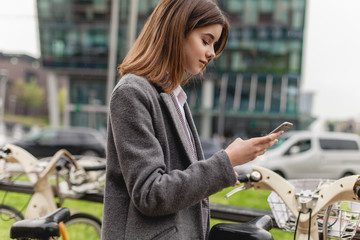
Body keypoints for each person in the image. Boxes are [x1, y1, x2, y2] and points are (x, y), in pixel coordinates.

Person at [101, 0, 282, 239]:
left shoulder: (173, 96)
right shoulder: (133, 92)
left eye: (214, 45)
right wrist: (226, 161)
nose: (211, 53)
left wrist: (226, 166)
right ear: (176, 32)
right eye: (206, 40)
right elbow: (150, 193)